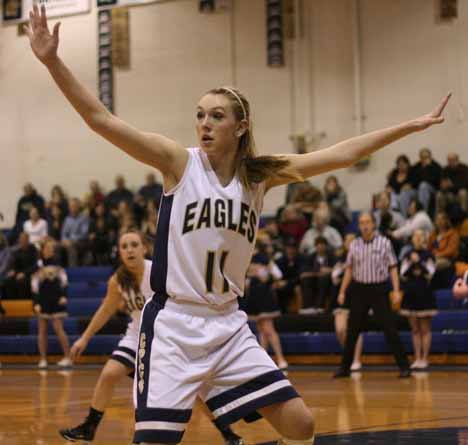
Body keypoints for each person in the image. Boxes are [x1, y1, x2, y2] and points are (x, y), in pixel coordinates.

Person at [25, 5, 450, 443]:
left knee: (301, 423)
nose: (204, 124)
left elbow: (343, 154)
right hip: (174, 325)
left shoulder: (259, 175)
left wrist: (410, 126)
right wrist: (53, 61)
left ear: (241, 126)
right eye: (200, 114)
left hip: (228, 324)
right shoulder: (177, 162)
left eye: (216, 116)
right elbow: (101, 120)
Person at [60, 230, 243, 445]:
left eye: (134, 244)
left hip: (166, 338)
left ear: (144, 248)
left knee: (196, 393)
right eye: (124, 246)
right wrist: (84, 338)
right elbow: (105, 310)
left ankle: (228, 434)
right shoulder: (117, 280)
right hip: (137, 336)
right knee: (109, 373)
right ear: (119, 252)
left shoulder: (158, 271)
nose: (129, 250)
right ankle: (89, 428)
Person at [334, 212, 411, 378]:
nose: (365, 225)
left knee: (389, 328)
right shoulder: (354, 244)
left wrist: (396, 290)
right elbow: (349, 269)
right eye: (361, 223)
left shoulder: (384, 242)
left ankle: (404, 367)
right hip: (359, 289)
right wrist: (342, 291)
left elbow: (393, 267)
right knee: (352, 330)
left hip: (379, 289)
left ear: (374, 224)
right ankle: (345, 368)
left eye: (367, 222)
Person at [245, 233, 288, 371]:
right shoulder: (246, 257)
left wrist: (262, 274)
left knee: (268, 329)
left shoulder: (263, 259)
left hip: (264, 296)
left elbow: (277, 275)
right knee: (261, 330)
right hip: (254, 296)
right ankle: (266, 360)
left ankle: (280, 358)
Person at [399, 229, 437, 370]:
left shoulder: (429, 255)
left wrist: (419, 261)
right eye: (415, 236)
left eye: (421, 236)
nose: (418, 238)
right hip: (411, 294)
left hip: (425, 295)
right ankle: (417, 357)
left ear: (425, 239)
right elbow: (402, 273)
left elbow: (430, 273)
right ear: (412, 239)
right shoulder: (407, 255)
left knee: (425, 329)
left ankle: (425, 358)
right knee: (415, 329)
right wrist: (413, 264)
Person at [32, 239, 71, 368]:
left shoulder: (58, 264)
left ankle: (67, 357)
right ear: (42, 251)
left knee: (58, 329)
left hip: (56, 299)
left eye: (51, 248)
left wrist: (64, 296)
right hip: (43, 300)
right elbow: (34, 285)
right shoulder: (38, 265)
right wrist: (36, 302)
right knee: (42, 330)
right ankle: (43, 359)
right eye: (47, 248)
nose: (49, 250)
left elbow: (64, 281)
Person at [330, 233, 363, 372]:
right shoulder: (340, 259)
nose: (349, 243)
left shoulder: (361, 257)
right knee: (340, 329)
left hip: (356, 296)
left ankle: (356, 359)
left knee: (354, 330)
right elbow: (334, 278)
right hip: (342, 297)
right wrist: (342, 269)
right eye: (347, 241)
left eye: (352, 241)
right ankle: (348, 355)